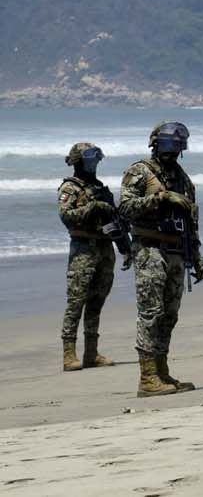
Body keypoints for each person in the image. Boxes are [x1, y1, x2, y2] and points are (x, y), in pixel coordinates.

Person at [119, 122, 203, 397]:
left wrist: (197, 255)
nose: (173, 151)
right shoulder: (140, 172)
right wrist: (161, 198)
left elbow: (191, 219)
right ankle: (147, 378)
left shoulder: (183, 179)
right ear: (155, 144)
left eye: (178, 146)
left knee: (169, 315)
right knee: (151, 313)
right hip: (149, 250)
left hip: (177, 251)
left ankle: (161, 370)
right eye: (168, 145)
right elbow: (125, 207)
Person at [57, 143, 119, 372]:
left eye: (96, 157)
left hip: (105, 249)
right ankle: (68, 354)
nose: (94, 162)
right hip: (83, 250)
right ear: (78, 161)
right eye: (89, 158)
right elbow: (66, 216)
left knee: (96, 303)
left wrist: (125, 247)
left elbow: (115, 222)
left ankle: (91, 353)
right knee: (76, 302)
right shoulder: (70, 188)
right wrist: (93, 208)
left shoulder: (101, 188)